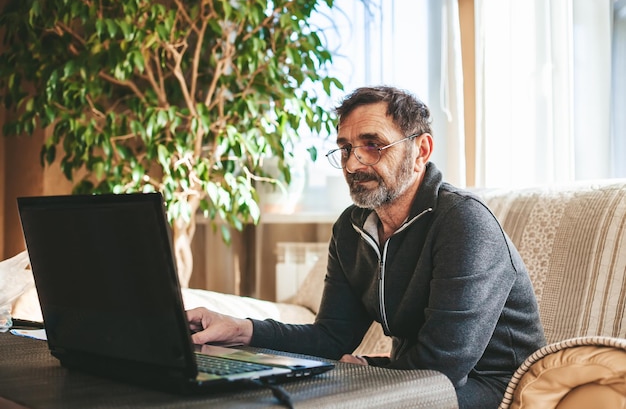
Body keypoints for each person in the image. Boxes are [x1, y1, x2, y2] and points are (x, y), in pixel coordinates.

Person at [187, 86, 546, 409]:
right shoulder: (351, 228)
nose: (353, 163)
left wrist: (371, 370)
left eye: (372, 145)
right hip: (420, 381)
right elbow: (331, 336)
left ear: (421, 150)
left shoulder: (464, 223)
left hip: (500, 388)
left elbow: (442, 367)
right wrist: (239, 329)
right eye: (345, 148)